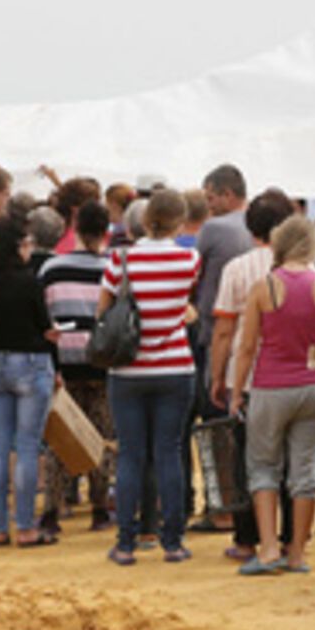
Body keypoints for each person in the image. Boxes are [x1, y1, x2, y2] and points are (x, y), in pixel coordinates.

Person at [101, 188, 201, 565]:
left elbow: (104, 309)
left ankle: (126, 543)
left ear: (143, 221)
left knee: (131, 454)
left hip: (128, 368)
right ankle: (172, 541)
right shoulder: (190, 259)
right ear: (180, 221)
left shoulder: (121, 259)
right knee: (169, 452)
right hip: (175, 365)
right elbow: (184, 306)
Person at [229, 215, 315, 575]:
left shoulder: (265, 287)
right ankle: (298, 552)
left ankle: (269, 547)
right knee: (304, 471)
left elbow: (247, 348)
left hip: (271, 386)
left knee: (263, 466)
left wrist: (237, 392)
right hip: (312, 386)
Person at [207, 189, 297, 554]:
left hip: (246, 377)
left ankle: (247, 538)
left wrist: (217, 378)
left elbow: (225, 331)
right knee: (291, 459)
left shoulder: (238, 269)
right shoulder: (305, 269)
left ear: (251, 227)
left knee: (249, 458)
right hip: (293, 373)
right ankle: (292, 536)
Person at [0, 214, 61, 546]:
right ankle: (25, 525)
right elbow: (43, 326)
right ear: (16, 247)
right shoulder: (29, 281)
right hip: (30, 361)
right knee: (27, 446)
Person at [40, 200, 114, 531]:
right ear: (105, 230)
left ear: (75, 227)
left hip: (64, 360)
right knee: (100, 434)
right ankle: (100, 507)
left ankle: (52, 510)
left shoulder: (52, 269)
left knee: (60, 435)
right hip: (100, 359)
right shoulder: (113, 267)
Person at [188, 164, 253, 531]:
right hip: (254, 338)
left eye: (211, 197)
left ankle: (225, 506)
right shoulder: (256, 227)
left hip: (216, 333)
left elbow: (194, 282)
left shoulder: (214, 229)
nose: (208, 205)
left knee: (215, 421)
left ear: (227, 194)